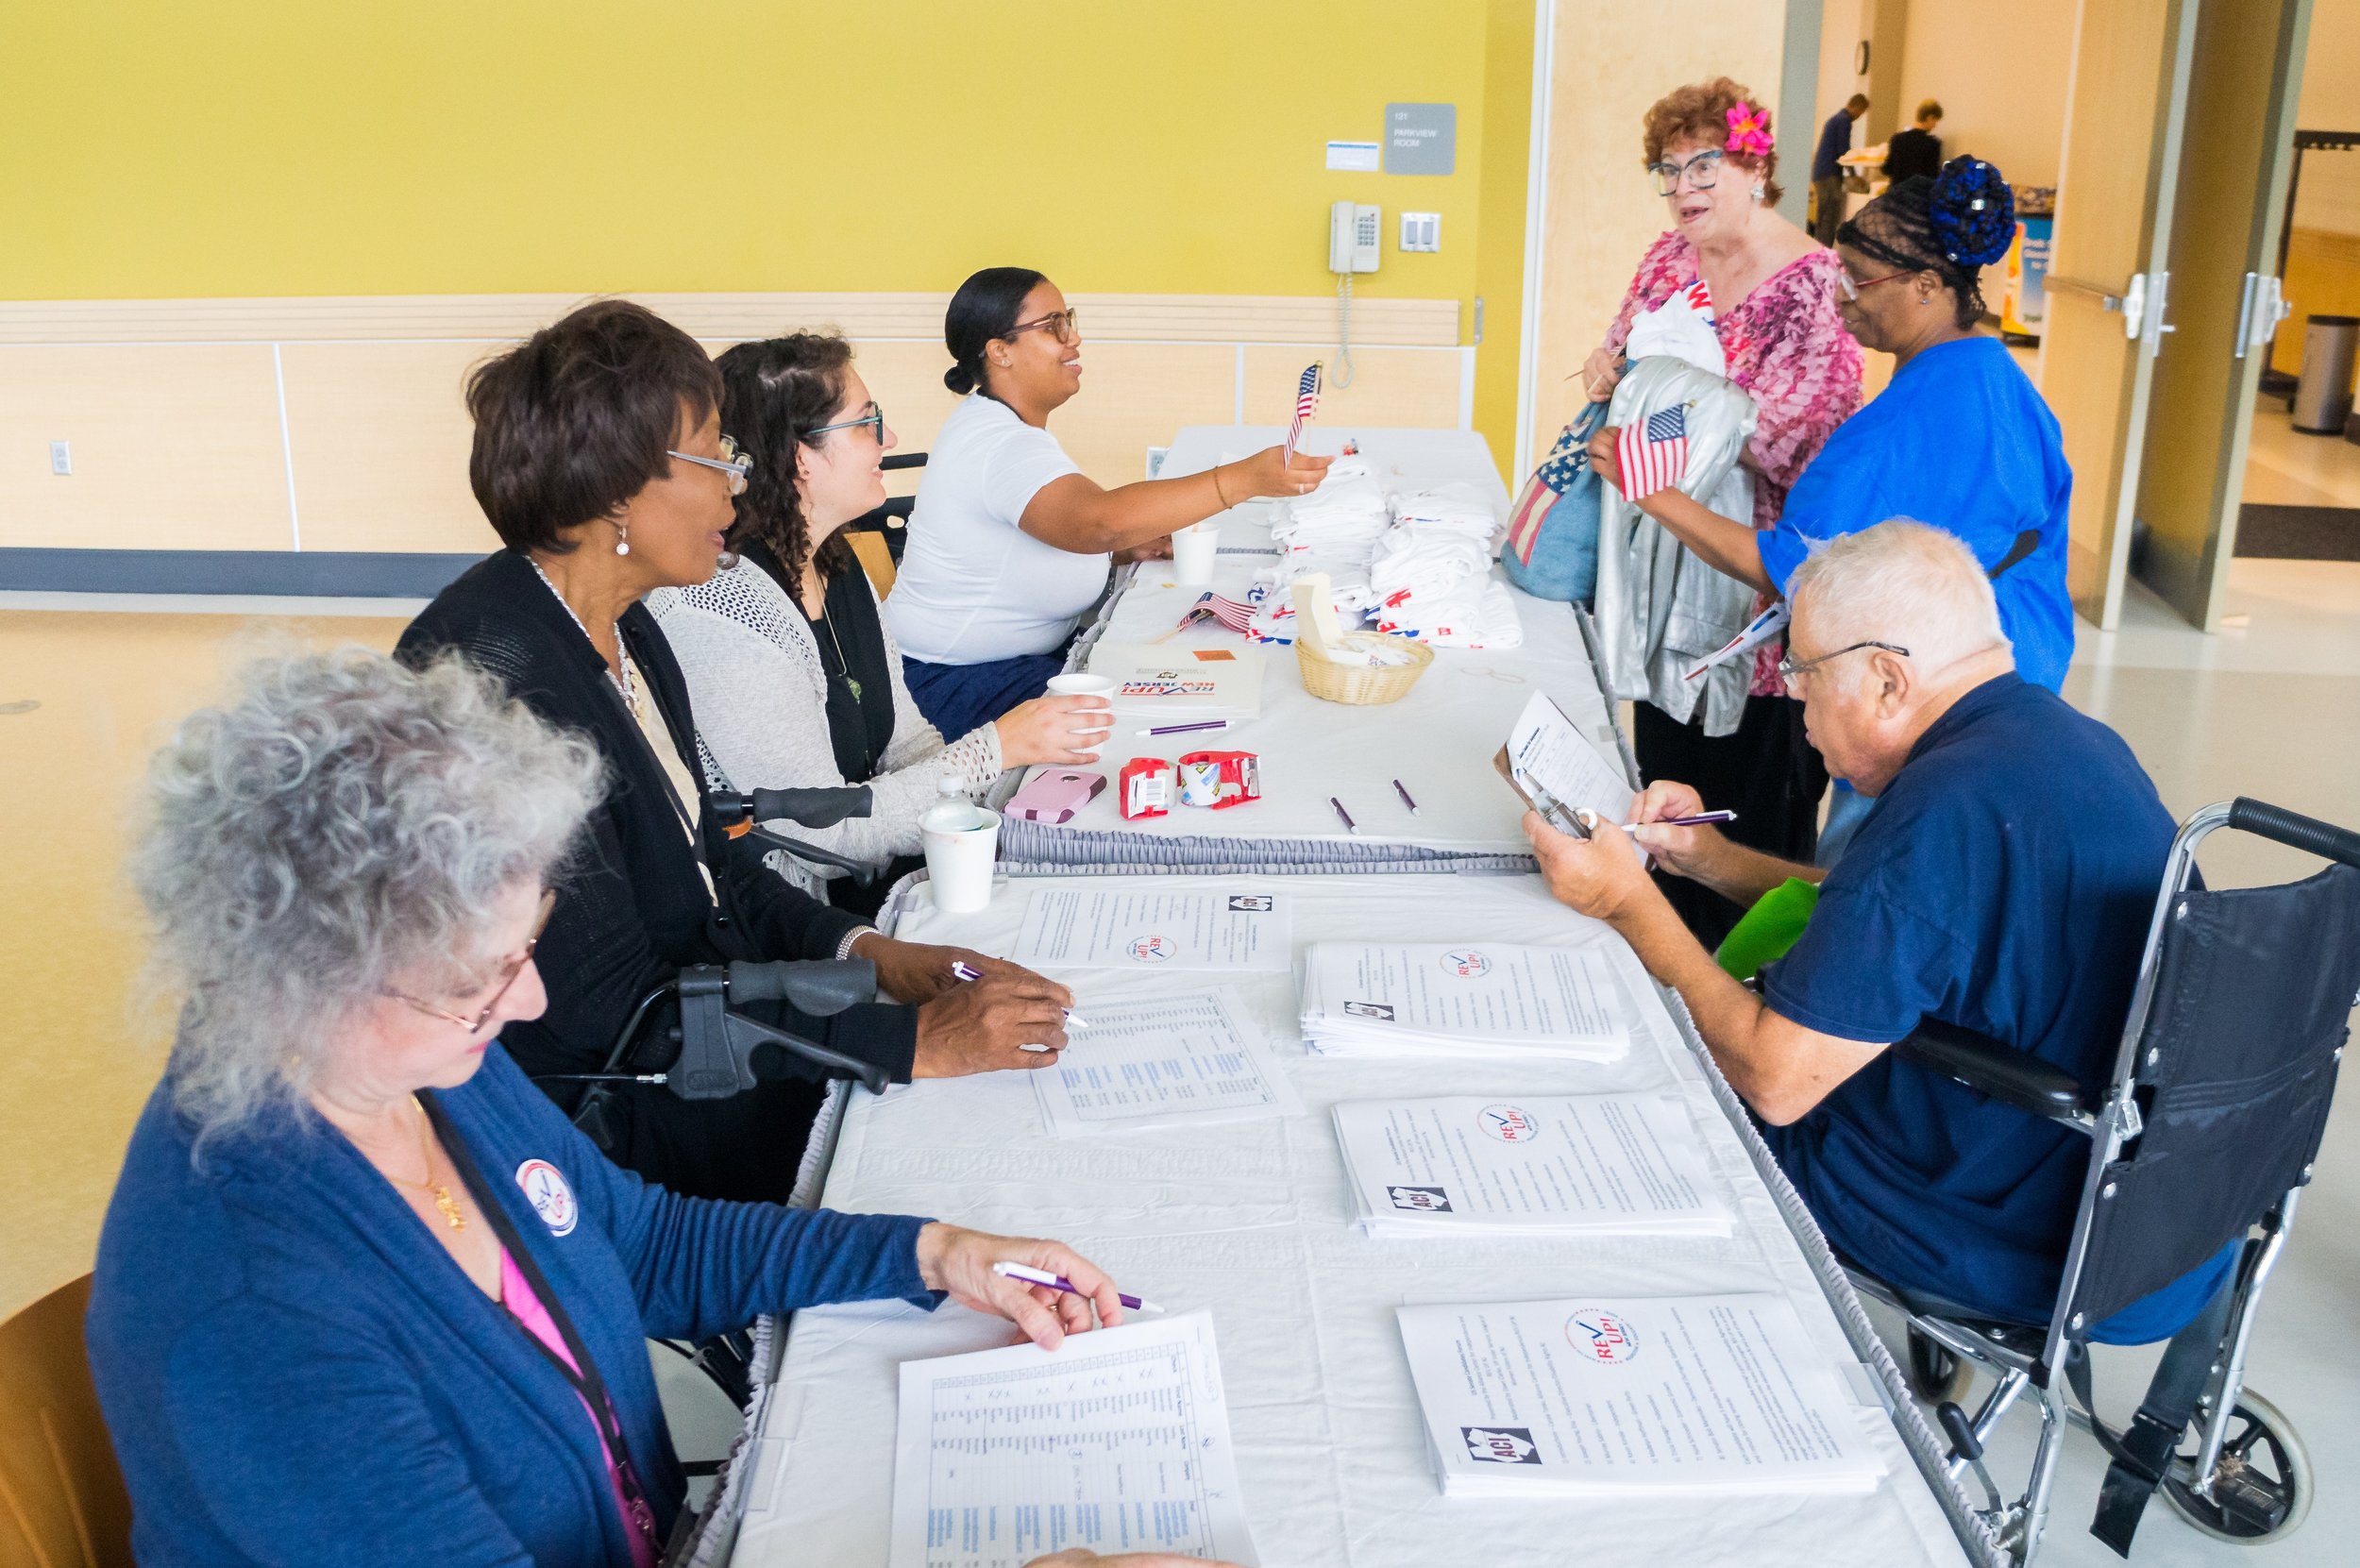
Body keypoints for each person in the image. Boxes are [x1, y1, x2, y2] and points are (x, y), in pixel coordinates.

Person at [86, 648, 1214, 1568]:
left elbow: (639, 1241)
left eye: (524, 948)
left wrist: (933, 1250)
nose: (525, 1000)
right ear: (304, 974)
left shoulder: (407, 1066)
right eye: (483, 973)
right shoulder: (254, 1315)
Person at [398, 300, 1074, 1206]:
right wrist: (907, 1041)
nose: (736, 489)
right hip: (629, 1132)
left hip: (713, 1046)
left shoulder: (626, 620)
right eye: (719, 457)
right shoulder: (497, 690)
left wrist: (872, 953)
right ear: (615, 489)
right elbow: (615, 1020)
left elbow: (723, 855)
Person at [1520, 521, 2233, 1339]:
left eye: (1805, 669)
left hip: (2021, 1230)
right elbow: (1901, 913)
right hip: (2155, 1210)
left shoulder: (1945, 810)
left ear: (1890, 679)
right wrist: (1709, 859)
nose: (1791, 693)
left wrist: (1625, 904)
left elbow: (1774, 1080)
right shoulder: (2062, 739)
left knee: (1649, 1077)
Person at [653, 332, 1114, 917]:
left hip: (878, 879)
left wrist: (993, 794)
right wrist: (996, 750)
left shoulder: (833, 562)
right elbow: (823, 840)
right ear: (801, 456)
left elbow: (906, 743)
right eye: (868, 422)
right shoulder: (723, 611)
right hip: (806, 922)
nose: (889, 440)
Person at [1578, 76, 1864, 945]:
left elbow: (1794, 437)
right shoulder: (1669, 260)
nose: (1684, 188)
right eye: (1668, 171)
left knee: (1748, 822)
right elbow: (1623, 356)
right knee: (1666, 795)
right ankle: (1672, 972)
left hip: (1757, 607)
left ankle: (1752, 1002)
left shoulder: (1815, 285)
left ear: (1755, 164)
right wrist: (1609, 368)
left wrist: (1656, 402)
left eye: (1706, 163)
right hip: (1662, 576)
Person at [886, 267, 1332, 740]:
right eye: (1053, 326)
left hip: (988, 668)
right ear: (1000, 351)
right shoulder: (1002, 445)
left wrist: (1118, 551)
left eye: (1069, 320)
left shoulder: (998, 426)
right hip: (951, 687)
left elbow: (1049, 532)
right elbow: (1097, 522)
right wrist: (1244, 479)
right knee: (1174, 724)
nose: (1073, 338)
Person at [1810, 93, 1870, 246]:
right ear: (1858, 107)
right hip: (1830, 173)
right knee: (1830, 216)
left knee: (1822, 216)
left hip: (1820, 171)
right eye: (1861, 112)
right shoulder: (1844, 120)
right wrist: (1853, 175)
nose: (1859, 116)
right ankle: (1824, 252)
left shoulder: (1835, 118)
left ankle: (1817, 249)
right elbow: (1843, 151)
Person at [1882, 100, 1945, 185]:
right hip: (1917, 194)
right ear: (1930, 117)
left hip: (1895, 193)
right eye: (1935, 121)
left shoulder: (1897, 139)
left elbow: (1887, 169)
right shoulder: (1933, 144)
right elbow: (1932, 175)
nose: (1935, 125)